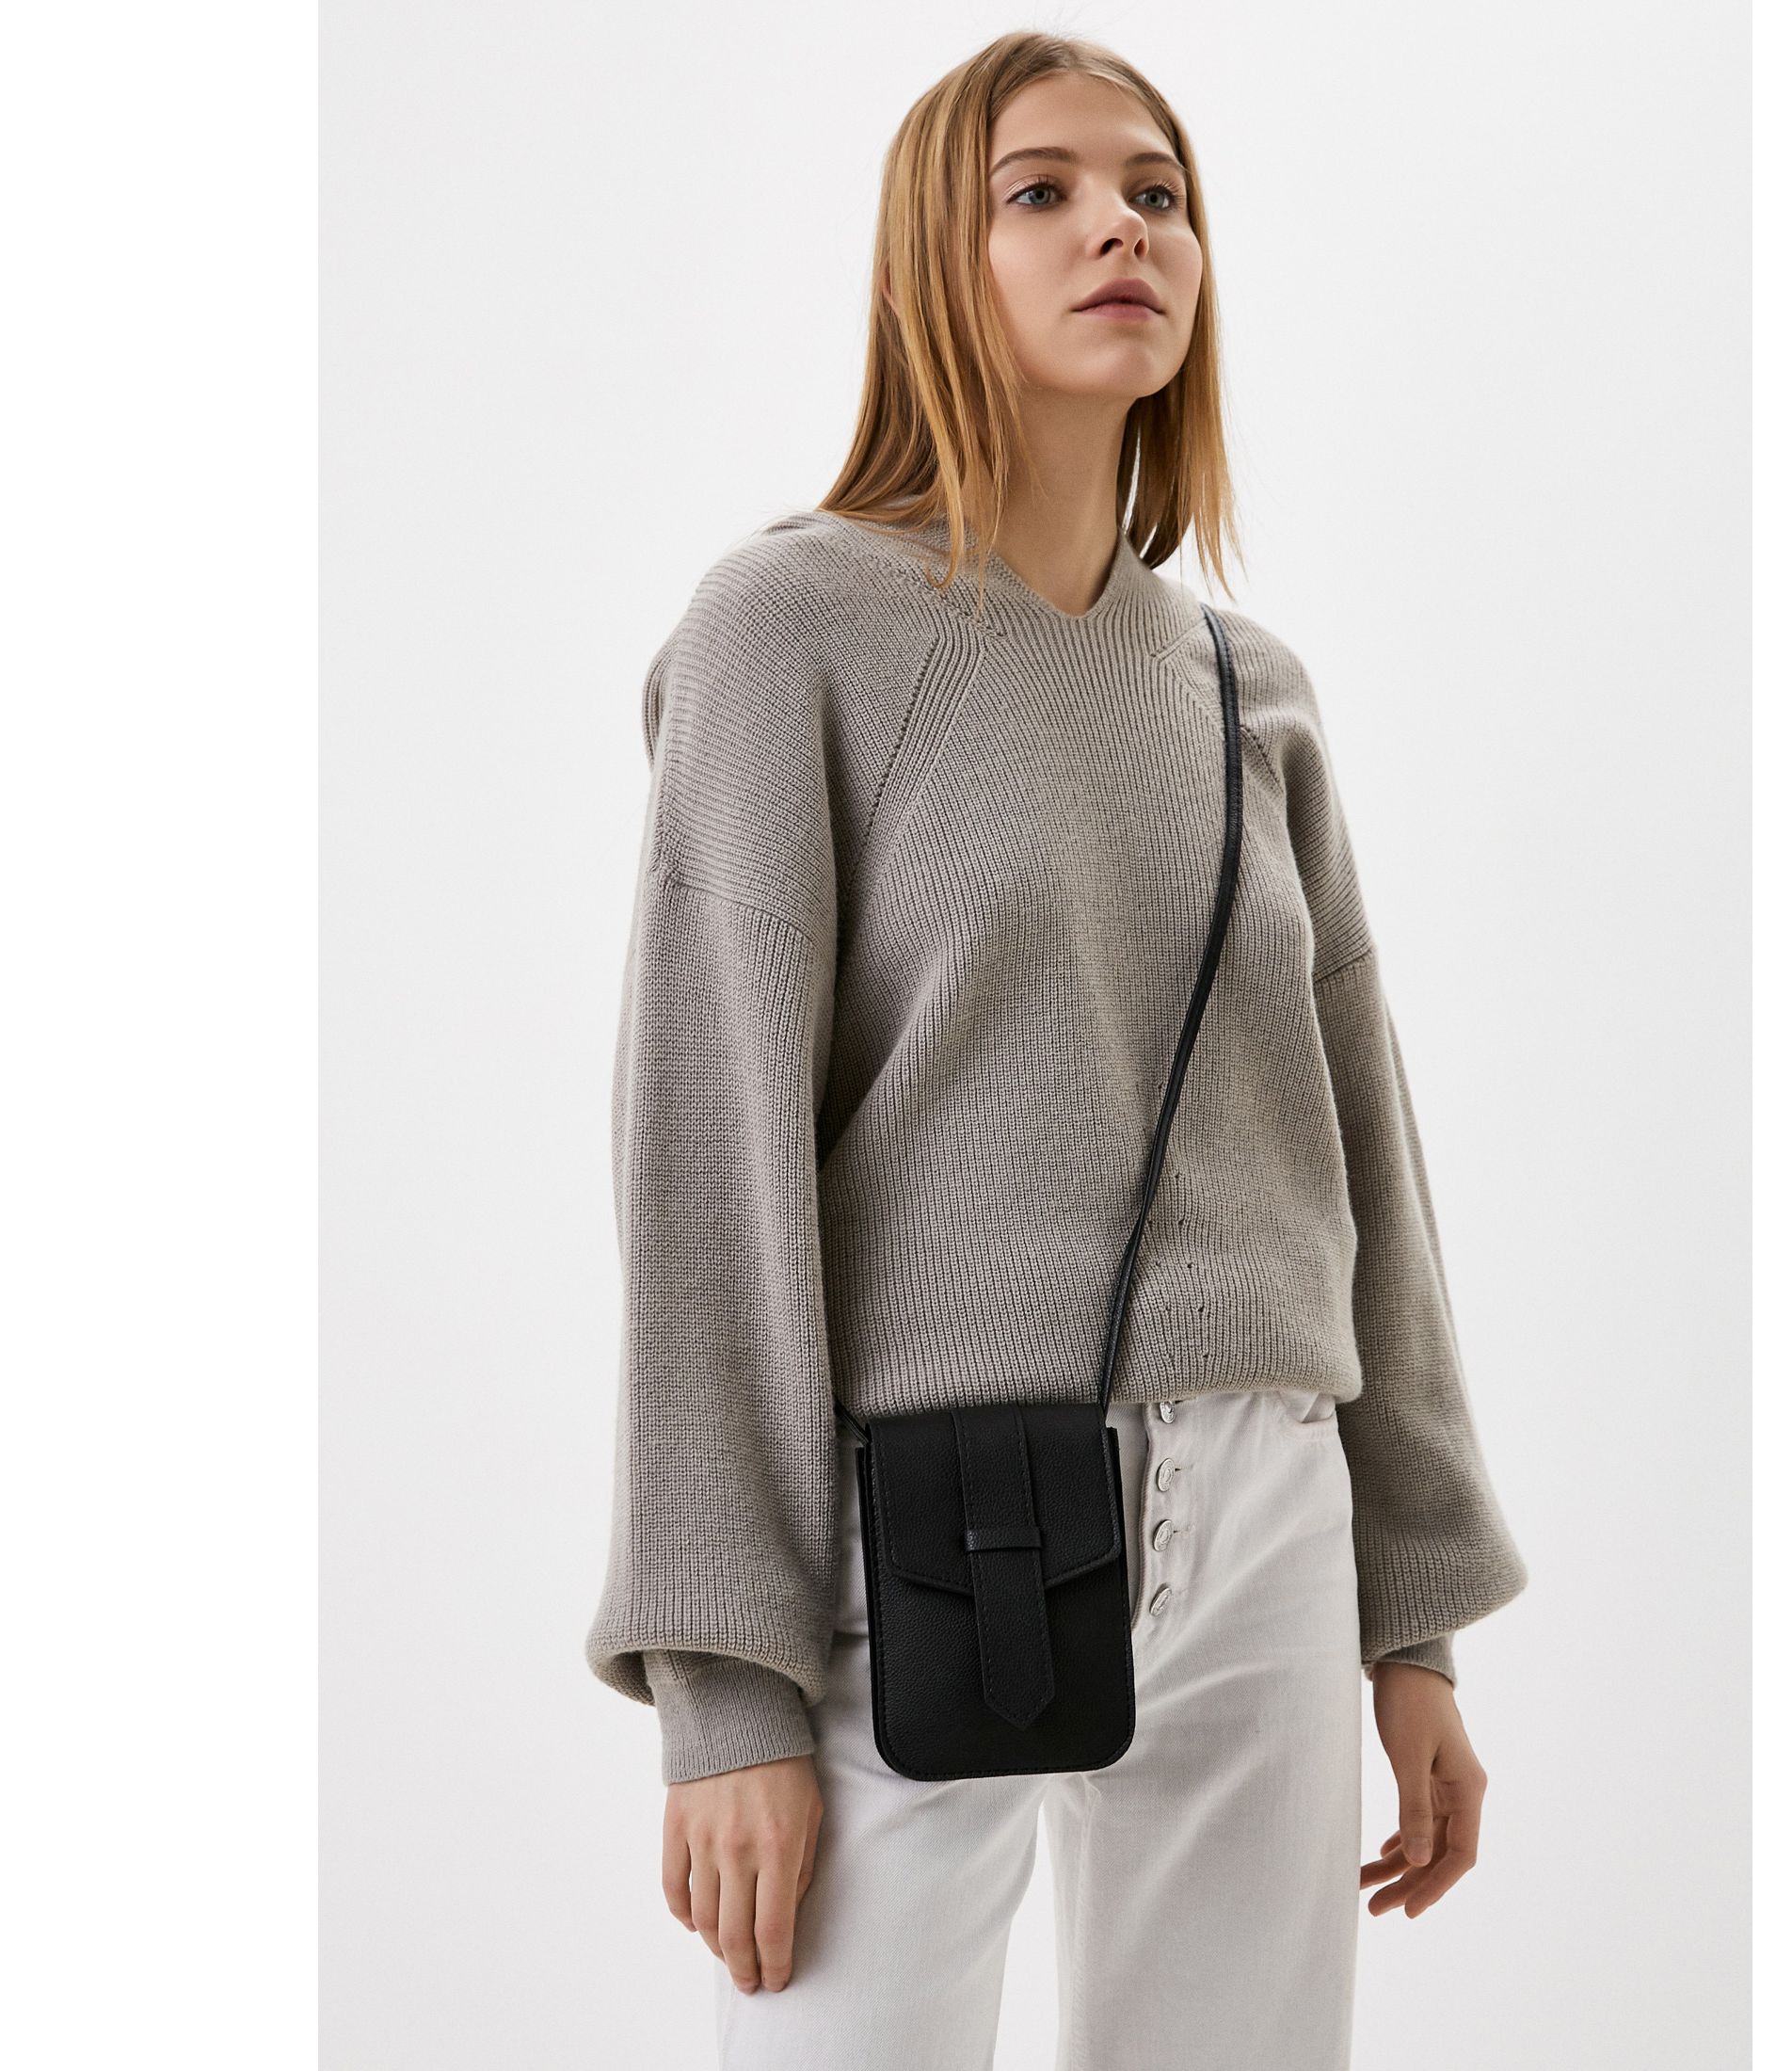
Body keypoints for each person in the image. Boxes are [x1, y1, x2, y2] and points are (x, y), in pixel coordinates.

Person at [584, 29, 1529, 2069]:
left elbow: (1359, 1155)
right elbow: (705, 1167)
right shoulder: (786, 634)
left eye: (1157, 192)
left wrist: (1413, 1614)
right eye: (1044, 190)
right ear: (932, 260)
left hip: (1268, 1509)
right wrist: (724, 1689)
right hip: (924, 1526)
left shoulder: (1251, 691)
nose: (1122, 226)